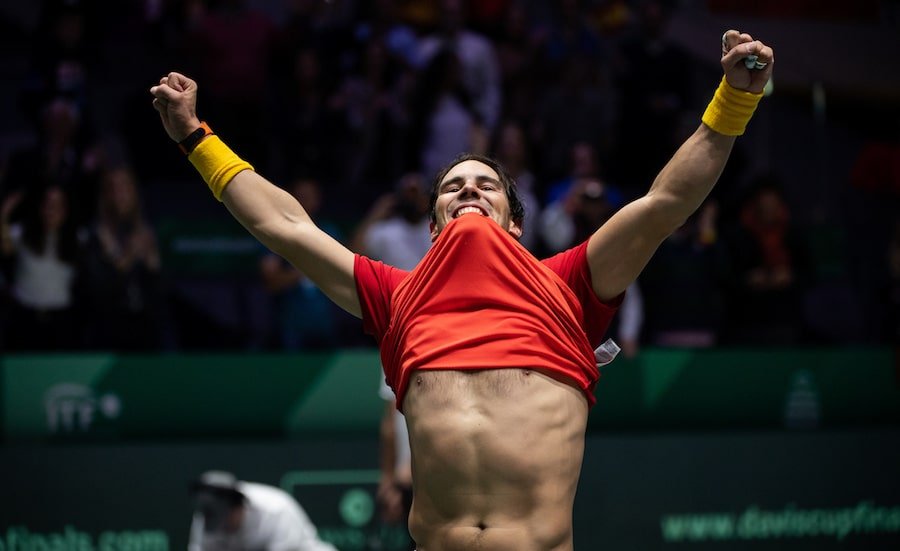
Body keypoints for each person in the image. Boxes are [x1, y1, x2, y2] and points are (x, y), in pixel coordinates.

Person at [151, 29, 773, 550]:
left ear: (514, 221)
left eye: (486, 184)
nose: (468, 189)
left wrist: (733, 101)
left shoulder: (570, 284)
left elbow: (666, 202)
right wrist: (194, 137)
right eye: (452, 186)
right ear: (432, 225)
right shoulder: (396, 296)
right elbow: (283, 225)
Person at [188, 470, 337, 551]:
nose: (223, 527)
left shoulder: (276, 509)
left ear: (238, 507)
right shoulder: (206, 516)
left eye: (226, 519)